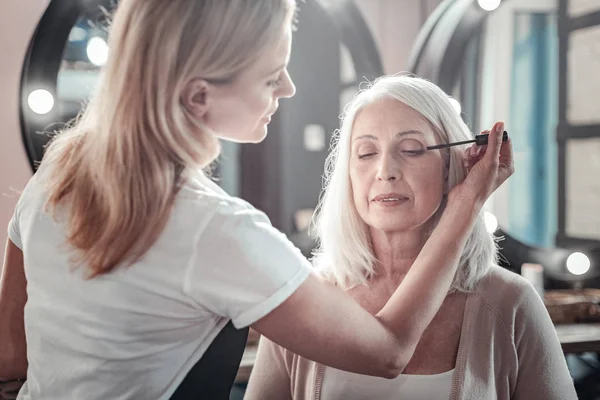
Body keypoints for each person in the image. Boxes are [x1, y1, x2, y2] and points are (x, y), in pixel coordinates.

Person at [0, 1, 513, 399]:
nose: (288, 88)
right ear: (199, 97)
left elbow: (10, 359)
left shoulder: (59, 171)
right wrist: (468, 203)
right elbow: (388, 351)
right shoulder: (215, 230)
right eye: (271, 76)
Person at [244, 75, 576, 400]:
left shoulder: (510, 302)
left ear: (451, 166)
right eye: (366, 153)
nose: (385, 170)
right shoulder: (304, 300)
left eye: (411, 149)